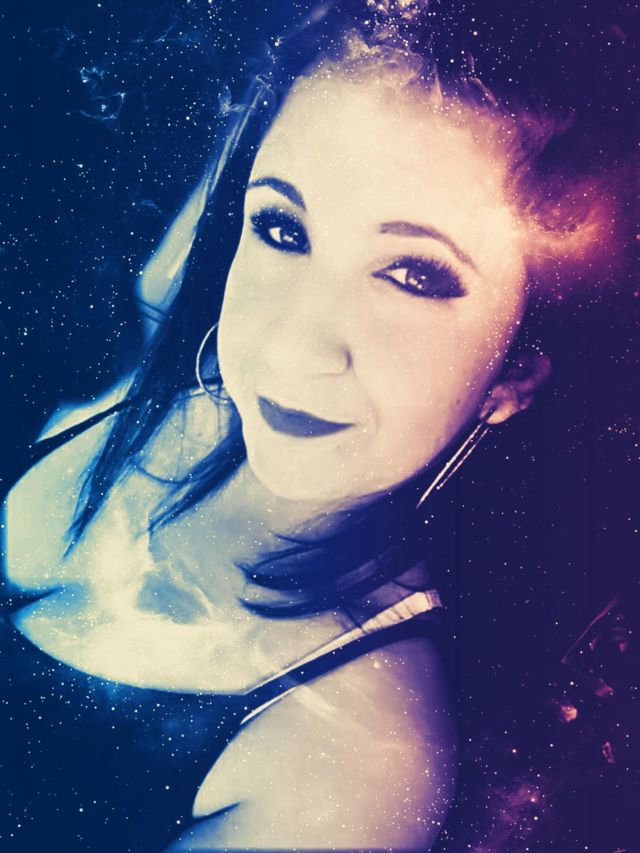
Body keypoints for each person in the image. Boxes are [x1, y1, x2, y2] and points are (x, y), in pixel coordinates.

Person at [2, 1, 634, 851]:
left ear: (514, 374)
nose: (289, 345)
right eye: (283, 227)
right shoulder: (157, 362)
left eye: (414, 275)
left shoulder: (353, 768)